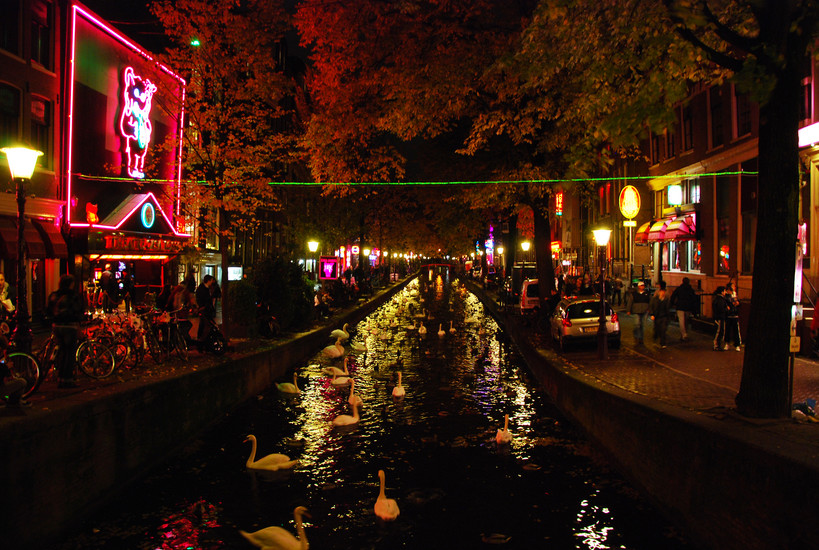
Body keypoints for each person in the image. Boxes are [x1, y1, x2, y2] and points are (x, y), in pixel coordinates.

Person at [51, 274, 85, 388]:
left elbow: (48, 310)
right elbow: (78, 310)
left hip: (57, 326)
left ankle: (60, 378)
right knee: (69, 353)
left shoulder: (55, 295)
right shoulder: (72, 296)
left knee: (61, 352)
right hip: (69, 326)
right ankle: (67, 379)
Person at [670, 277, 698, 341]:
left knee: (681, 321)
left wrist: (672, 304)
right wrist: (694, 309)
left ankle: (683, 334)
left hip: (680, 307)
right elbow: (694, 299)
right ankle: (685, 333)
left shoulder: (679, 289)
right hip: (688, 307)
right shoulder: (691, 290)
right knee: (686, 321)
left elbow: (673, 296)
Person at [649, 281, 671, 348]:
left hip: (664, 316)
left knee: (663, 329)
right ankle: (656, 338)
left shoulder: (666, 298)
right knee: (657, 328)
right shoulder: (656, 299)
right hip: (657, 315)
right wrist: (652, 314)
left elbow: (668, 307)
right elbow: (652, 305)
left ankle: (662, 343)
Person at [195, 275, 216, 343]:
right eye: (211, 280)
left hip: (206, 309)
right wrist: (203, 306)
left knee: (204, 324)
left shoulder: (205, 288)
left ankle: (203, 340)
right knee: (205, 325)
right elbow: (202, 299)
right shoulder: (203, 289)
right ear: (208, 281)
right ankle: (202, 340)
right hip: (204, 309)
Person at [725, 283, 742, 351]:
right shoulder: (727, 296)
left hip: (735, 315)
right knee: (728, 330)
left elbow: (739, 303)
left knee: (736, 331)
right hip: (729, 315)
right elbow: (729, 303)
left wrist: (738, 303)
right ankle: (727, 343)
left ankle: (737, 344)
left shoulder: (735, 295)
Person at [712, 286, 728, 352]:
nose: (725, 292)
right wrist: (727, 309)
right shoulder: (720, 300)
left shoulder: (717, 299)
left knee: (720, 331)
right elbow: (721, 309)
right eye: (724, 291)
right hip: (720, 317)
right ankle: (717, 345)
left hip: (718, 317)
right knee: (720, 331)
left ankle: (717, 345)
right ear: (722, 292)